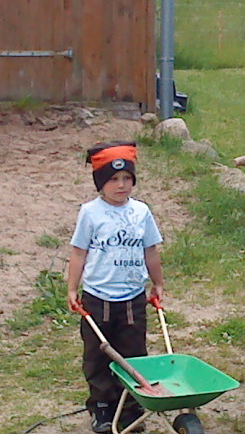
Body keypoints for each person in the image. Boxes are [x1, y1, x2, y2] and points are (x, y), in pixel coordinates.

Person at [67, 140, 165, 433]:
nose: (121, 185)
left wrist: (158, 283)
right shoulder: (90, 213)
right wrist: (73, 288)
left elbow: (150, 250)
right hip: (97, 298)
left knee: (133, 352)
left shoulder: (141, 212)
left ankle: (130, 407)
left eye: (127, 179)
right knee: (97, 355)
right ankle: (102, 406)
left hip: (133, 298)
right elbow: (79, 252)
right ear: (100, 183)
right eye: (113, 179)